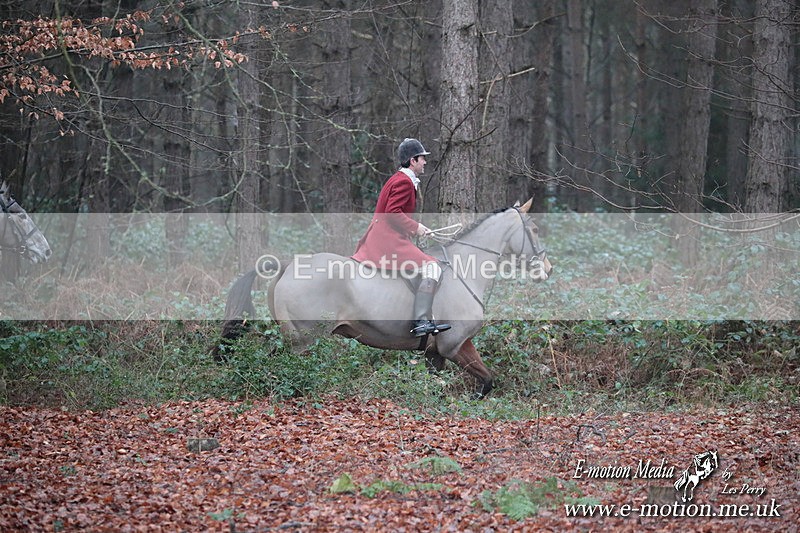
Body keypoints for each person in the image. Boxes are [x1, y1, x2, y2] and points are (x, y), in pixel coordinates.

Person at [352, 138, 451, 337]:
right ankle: (422, 321)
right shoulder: (404, 181)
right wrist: (417, 227)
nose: (425, 162)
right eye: (422, 159)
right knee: (432, 267)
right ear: (413, 160)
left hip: (386, 235)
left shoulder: (400, 179)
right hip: (387, 239)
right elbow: (393, 213)